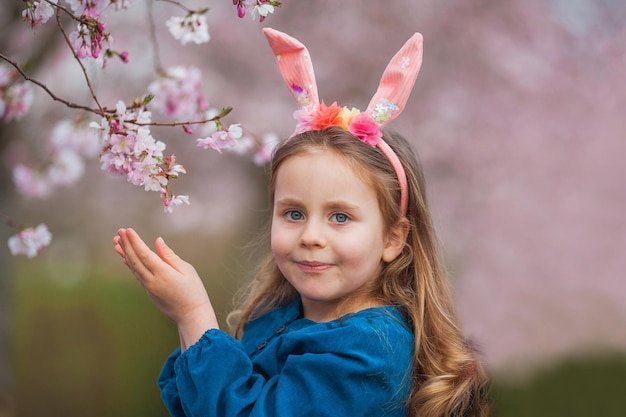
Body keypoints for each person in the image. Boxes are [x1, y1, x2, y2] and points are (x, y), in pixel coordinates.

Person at [113, 28, 490, 417]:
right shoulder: (281, 312)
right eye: (293, 214)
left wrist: (194, 316)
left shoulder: (370, 349)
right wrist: (188, 324)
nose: (310, 236)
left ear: (393, 239)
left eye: (340, 217)